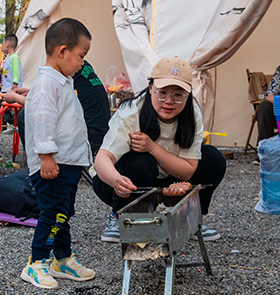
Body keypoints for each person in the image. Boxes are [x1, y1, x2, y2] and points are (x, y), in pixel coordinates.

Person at [92, 56, 226, 243]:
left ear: (188, 95)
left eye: (178, 95)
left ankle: (192, 218)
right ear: (150, 88)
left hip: (170, 177)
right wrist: (116, 181)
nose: (169, 101)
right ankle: (121, 217)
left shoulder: (192, 113)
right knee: (141, 161)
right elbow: (102, 158)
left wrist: (152, 147)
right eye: (162, 93)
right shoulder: (132, 112)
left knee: (213, 158)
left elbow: (189, 170)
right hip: (123, 183)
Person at [21, 18, 95, 289]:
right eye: (81, 56)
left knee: (64, 212)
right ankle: (37, 262)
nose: (82, 63)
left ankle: (62, 258)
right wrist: (46, 156)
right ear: (63, 51)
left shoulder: (62, 81)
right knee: (53, 213)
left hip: (69, 163)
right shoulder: (46, 85)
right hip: (54, 163)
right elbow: (42, 121)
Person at [16, 60, 111, 154]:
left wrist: (16, 98)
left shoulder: (68, 68)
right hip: (103, 135)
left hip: (88, 139)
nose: (81, 63)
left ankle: (41, 162)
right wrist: (31, 92)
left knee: (24, 115)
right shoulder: (82, 68)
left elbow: (45, 105)